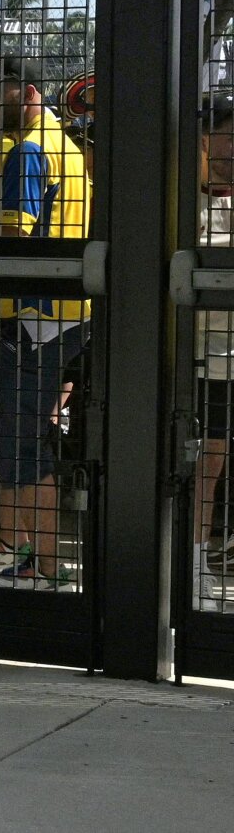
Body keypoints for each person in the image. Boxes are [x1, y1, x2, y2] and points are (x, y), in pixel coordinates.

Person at [0, 56, 90, 587]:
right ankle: (27, 555)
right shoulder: (62, 145)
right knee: (19, 441)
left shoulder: (30, 150)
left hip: (31, 316)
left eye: (2, 91)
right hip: (57, 313)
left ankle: (44, 566)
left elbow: (17, 237)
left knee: (20, 445)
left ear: (32, 92)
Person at [195, 94, 234, 610]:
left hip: (226, 349)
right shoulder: (177, 198)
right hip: (186, 350)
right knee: (200, 457)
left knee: (213, 455)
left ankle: (201, 555)